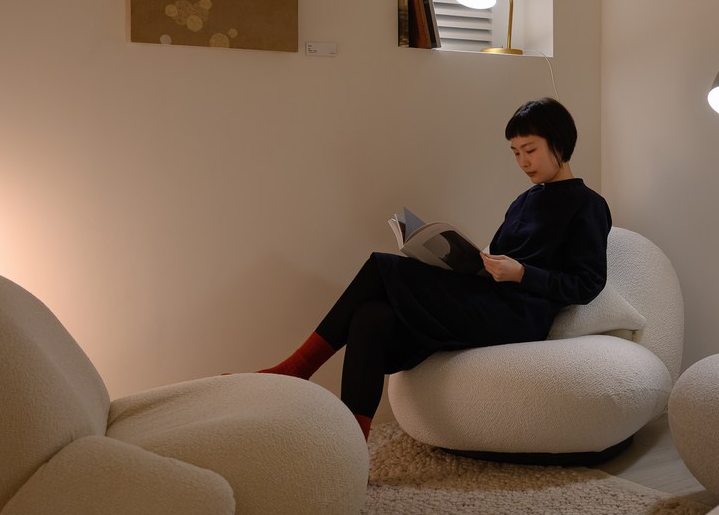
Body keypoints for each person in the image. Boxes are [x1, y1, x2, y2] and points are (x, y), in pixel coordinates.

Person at [255, 97, 612, 441]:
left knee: (380, 266)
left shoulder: (588, 205)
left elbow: (588, 283)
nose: (523, 161)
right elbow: (501, 259)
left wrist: (522, 273)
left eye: (530, 150)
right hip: (488, 299)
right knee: (370, 316)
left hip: (518, 315)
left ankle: (297, 368)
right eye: (515, 152)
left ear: (559, 142)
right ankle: (352, 447)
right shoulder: (524, 201)